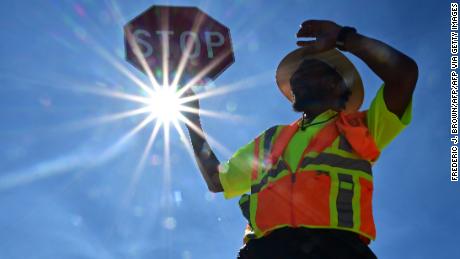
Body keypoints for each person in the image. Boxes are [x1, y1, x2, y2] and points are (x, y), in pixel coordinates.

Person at [183, 20, 418, 259]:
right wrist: (192, 120)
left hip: (338, 250)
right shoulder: (271, 139)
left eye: (306, 72)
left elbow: (404, 74)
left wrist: (344, 37)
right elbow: (217, 180)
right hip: (264, 252)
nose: (295, 79)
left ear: (335, 84)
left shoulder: (361, 127)